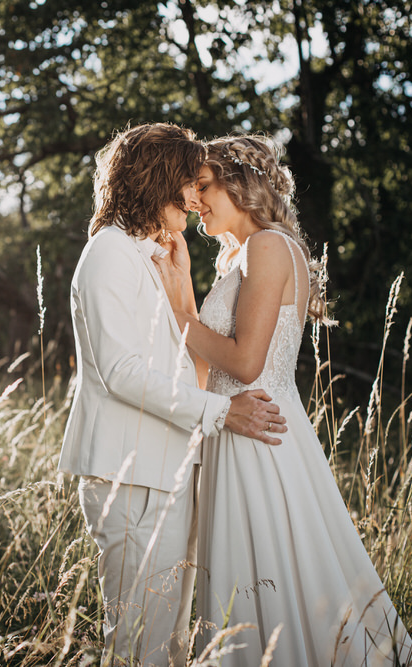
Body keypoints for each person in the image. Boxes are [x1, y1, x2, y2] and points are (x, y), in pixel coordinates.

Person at [152, 134, 412, 665]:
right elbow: (207, 367)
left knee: (271, 571)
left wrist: (181, 317)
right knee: (253, 574)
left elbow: (247, 361)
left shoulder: (268, 247)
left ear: (240, 184)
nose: (194, 199)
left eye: (203, 186)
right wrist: (183, 288)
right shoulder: (241, 257)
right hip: (237, 428)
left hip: (259, 435)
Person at [58, 122, 288, 667]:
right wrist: (223, 414)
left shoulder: (154, 258)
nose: (195, 197)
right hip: (130, 478)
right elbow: (122, 372)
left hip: (169, 475)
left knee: (170, 645)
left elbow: (186, 372)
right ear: (156, 179)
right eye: (188, 181)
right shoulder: (109, 252)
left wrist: (182, 289)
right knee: (140, 644)